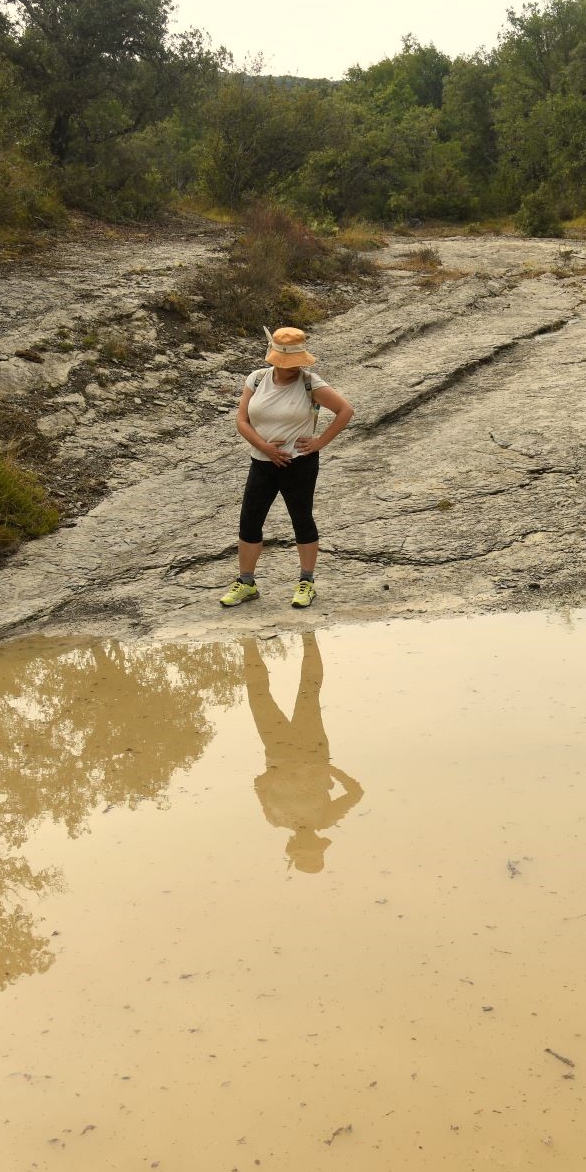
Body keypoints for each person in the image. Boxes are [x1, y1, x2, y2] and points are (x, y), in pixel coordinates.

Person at [221, 326, 355, 610]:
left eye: (297, 362)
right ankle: (246, 583)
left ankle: (306, 582)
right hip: (261, 461)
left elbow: (345, 411)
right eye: (289, 362)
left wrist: (319, 442)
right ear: (275, 358)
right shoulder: (256, 379)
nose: (294, 367)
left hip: (299, 464)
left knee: (301, 519)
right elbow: (242, 420)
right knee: (249, 521)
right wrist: (266, 447)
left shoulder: (311, 383)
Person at [244, 634, 362, 873]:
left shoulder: (275, 819)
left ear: (294, 847)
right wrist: (327, 768)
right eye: (312, 847)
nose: (307, 843)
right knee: (309, 688)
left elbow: (259, 784)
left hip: (277, 751)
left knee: (258, 696)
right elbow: (356, 792)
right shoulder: (326, 818)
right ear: (318, 843)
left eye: (303, 849)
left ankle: (247, 641)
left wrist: (280, 774)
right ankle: (309, 636)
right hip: (311, 749)